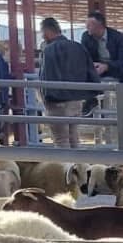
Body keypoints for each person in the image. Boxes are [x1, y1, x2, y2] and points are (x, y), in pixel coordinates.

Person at [38, 16, 91, 149]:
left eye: (42, 32)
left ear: (47, 31)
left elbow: (45, 75)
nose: (42, 36)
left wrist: (45, 97)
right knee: (74, 136)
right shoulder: (77, 46)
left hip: (57, 100)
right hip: (76, 99)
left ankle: (65, 163)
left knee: (61, 139)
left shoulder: (49, 49)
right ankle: (78, 162)